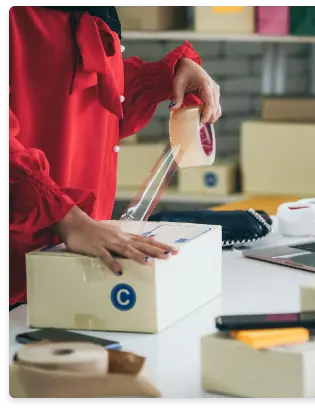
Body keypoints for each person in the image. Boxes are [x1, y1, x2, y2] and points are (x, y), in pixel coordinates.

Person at [8, 5, 223, 309]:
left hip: (72, 259)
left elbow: (89, 106)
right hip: (22, 263)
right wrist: (67, 219)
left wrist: (165, 77)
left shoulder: (95, 12)